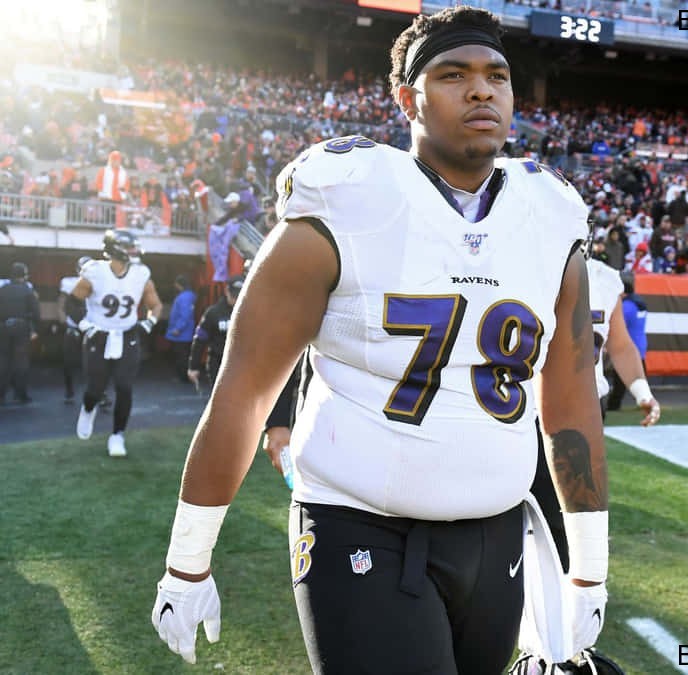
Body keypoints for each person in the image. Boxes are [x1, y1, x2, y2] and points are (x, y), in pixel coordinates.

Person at [151, 8, 608, 673]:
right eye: (453, 74)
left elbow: (569, 405)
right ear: (406, 98)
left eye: (496, 76)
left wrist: (588, 568)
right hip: (359, 525)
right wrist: (187, 561)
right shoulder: (346, 199)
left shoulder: (550, 216)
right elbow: (245, 393)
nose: (481, 90)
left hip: (498, 535)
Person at [531, 255, 660, 572]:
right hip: (526, 405)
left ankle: (569, 589)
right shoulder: (526, 259)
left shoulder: (603, 277)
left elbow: (620, 344)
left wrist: (642, 392)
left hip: (584, 408)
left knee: (571, 510)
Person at [71, 230, 163, 457]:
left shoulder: (141, 273)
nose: (134, 252)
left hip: (127, 335)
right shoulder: (95, 271)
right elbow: (71, 304)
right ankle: (88, 407)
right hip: (99, 334)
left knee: (124, 387)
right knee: (95, 389)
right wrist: (84, 325)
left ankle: (117, 435)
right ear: (116, 249)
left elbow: (156, 305)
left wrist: (149, 323)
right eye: (129, 248)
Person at [186, 274, 244, 388]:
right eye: (234, 296)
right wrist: (193, 367)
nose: (236, 300)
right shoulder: (213, 313)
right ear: (227, 291)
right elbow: (199, 340)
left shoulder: (251, 314)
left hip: (242, 365)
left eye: (240, 296)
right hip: (218, 364)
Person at [606, 270, 650, 412]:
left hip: (629, 347)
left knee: (620, 380)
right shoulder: (639, 303)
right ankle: (645, 400)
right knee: (640, 377)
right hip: (640, 345)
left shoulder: (626, 307)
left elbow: (615, 325)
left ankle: (613, 405)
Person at [0, 262, 40, 404]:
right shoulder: (28, 291)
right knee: (21, 362)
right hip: (21, 328)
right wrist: (34, 329)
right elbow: (36, 312)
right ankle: (20, 394)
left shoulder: (3, 289)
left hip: (3, 327)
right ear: (24, 275)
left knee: (3, 361)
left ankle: (1, 395)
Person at [58, 256, 92, 402]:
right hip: (73, 326)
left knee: (96, 363)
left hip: (92, 328)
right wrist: (66, 324)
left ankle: (99, 393)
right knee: (69, 362)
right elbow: (61, 305)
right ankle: (69, 391)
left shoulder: (100, 283)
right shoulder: (69, 282)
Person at [165, 275, 196, 383]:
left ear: (179, 285)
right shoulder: (189, 296)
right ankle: (184, 376)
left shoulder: (184, 297)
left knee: (182, 356)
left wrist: (178, 328)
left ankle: (183, 377)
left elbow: (185, 315)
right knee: (184, 355)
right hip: (185, 332)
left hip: (182, 333)